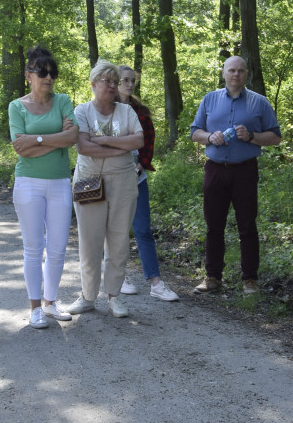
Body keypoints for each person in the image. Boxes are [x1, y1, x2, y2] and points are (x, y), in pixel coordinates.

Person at [189, 56, 282, 294]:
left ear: (247, 73)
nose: (236, 75)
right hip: (215, 169)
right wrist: (210, 137)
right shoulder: (209, 99)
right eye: (232, 70)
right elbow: (194, 132)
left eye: (241, 70)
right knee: (213, 225)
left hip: (245, 170)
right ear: (223, 72)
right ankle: (212, 277)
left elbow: (275, 137)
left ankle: (249, 279)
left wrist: (251, 136)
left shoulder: (259, 103)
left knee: (247, 226)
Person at [9, 46, 79, 329]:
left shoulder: (62, 100)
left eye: (52, 73)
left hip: (60, 181)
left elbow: (72, 137)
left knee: (59, 247)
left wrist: (36, 140)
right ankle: (35, 307)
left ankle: (51, 302)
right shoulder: (17, 106)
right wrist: (53, 138)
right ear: (29, 75)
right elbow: (20, 149)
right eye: (42, 72)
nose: (48, 78)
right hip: (28, 183)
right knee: (34, 247)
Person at [67, 61, 143, 319]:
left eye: (115, 81)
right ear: (93, 83)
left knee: (119, 240)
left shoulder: (126, 111)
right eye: (107, 81)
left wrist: (105, 140)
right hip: (89, 179)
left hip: (123, 180)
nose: (112, 86)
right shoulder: (82, 111)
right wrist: (121, 147)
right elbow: (84, 148)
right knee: (90, 241)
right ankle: (88, 296)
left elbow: (138, 140)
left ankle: (114, 297)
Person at [114, 64, 181, 301]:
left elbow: (148, 143)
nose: (130, 84)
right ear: (115, 81)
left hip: (137, 178)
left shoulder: (141, 111)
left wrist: (139, 166)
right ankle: (119, 276)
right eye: (125, 80)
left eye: (133, 80)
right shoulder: (104, 109)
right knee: (116, 230)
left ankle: (156, 282)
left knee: (143, 230)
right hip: (111, 179)